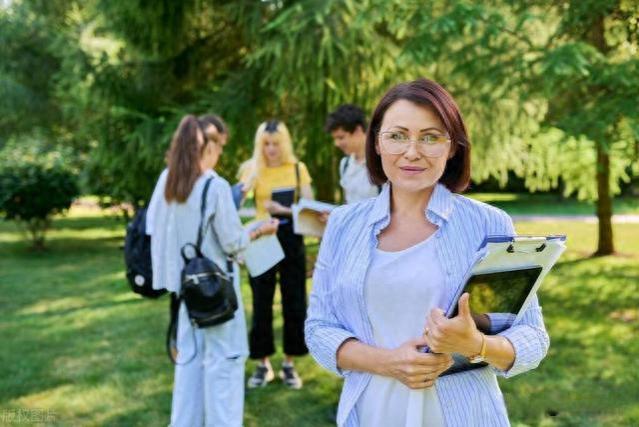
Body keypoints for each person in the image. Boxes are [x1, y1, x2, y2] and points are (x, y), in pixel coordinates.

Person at [305, 78, 550, 427]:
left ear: (452, 148)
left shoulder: (488, 223)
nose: (412, 151)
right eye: (398, 135)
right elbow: (319, 329)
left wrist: (477, 344)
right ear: (376, 142)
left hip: (464, 415)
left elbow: (532, 338)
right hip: (372, 413)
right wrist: (388, 362)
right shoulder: (343, 225)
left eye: (430, 137)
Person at [148, 115, 278, 427]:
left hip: (185, 291)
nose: (220, 152)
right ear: (207, 146)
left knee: (189, 370)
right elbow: (233, 242)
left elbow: (153, 227)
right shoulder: (213, 185)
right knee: (225, 370)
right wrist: (258, 231)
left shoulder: (168, 180)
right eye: (218, 145)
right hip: (216, 291)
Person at [240, 120, 314, 389]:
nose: (271, 149)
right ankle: (262, 364)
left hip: (291, 238)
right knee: (261, 300)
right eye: (266, 144)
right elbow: (235, 200)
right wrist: (251, 177)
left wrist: (282, 210)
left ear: (284, 145)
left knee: (294, 301)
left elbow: (309, 209)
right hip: (262, 238)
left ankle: (289, 364)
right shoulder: (252, 168)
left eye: (275, 144)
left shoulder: (298, 169)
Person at [325, 104, 380, 204]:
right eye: (335, 139)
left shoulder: (380, 162)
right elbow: (348, 203)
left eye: (341, 137)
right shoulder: (345, 164)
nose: (336, 144)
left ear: (358, 130)